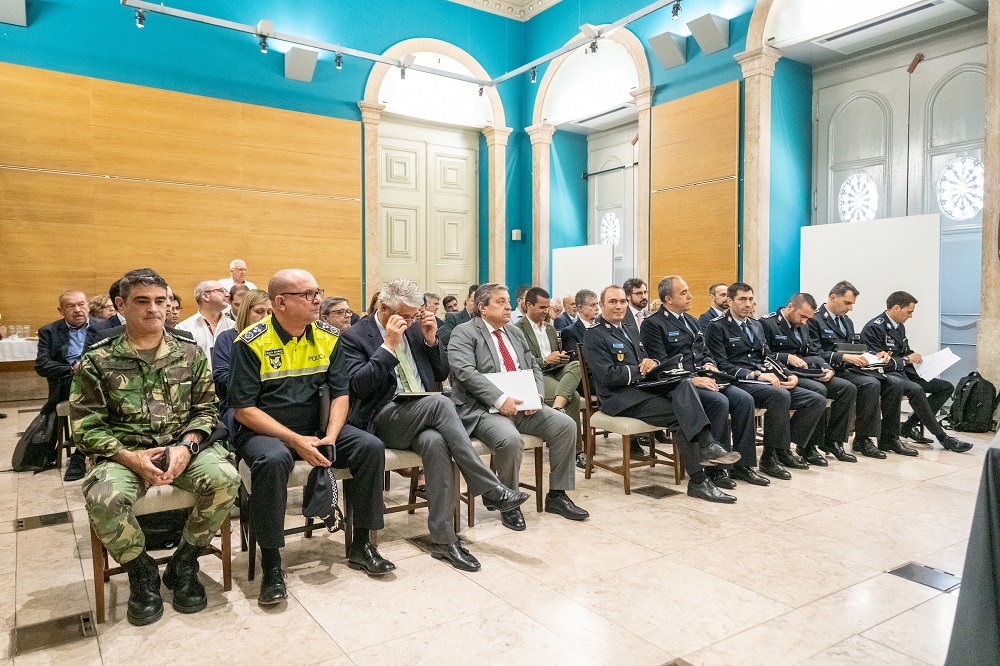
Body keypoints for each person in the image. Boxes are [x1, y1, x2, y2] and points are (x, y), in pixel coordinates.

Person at [71, 268, 238, 626]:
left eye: (160, 301)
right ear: (121, 305)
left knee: (226, 478)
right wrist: (128, 458)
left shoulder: (190, 352)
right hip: (123, 452)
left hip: (183, 448)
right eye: (142, 301)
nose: (154, 309)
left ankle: (184, 562)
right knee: (104, 498)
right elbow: (85, 426)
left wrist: (187, 447)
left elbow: (207, 410)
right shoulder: (97, 359)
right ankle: (140, 571)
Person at [228, 269, 394, 606]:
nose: (317, 299)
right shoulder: (250, 342)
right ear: (281, 302)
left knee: (370, 447)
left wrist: (331, 436)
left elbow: (340, 393)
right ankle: (273, 564)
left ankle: (362, 543)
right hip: (266, 431)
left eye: (318, 291)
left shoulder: (328, 336)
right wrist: (295, 440)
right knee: (272, 460)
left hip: (319, 427)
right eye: (308, 294)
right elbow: (243, 410)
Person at [340, 279, 529, 571]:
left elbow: (442, 372)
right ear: (383, 308)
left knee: (436, 442)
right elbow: (358, 387)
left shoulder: (417, 328)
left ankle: (443, 540)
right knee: (442, 402)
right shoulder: (355, 336)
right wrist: (388, 347)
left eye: (414, 316)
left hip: (423, 415)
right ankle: (489, 488)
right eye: (405, 316)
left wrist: (431, 342)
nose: (411, 321)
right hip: (382, 418)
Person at [447, 283, 589, 530]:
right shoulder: (464, 332)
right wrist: (500, 400)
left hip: (523, 405)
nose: (509, 306)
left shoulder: (514, 332)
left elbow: (533, 366)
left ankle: (557, 495)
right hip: (483, 409)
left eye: (507, 301)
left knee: (565, 425)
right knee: (511, 440)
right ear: (482, 307)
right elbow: (464, 372)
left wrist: (535, 396)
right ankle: (509, 502)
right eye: (500, 302)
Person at [586, 285, 741, 502]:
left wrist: (653, 363)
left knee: (683, 384)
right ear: (601, 306)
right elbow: (607, 376)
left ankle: (703, 463)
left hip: (642, 390)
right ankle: (702, 470)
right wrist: (640, 371)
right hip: (618, 398)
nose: (619, 306)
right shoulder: (594, 335)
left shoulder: (630, 328)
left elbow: (649, 359)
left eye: (622, 301)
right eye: (612, 302)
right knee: (681, 414)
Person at [641, 276, 769, 488]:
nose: (690, 296)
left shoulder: (690, 321)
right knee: (718, 402)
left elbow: (704, 351)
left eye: (688, 290)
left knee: (744, 399)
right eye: (683, 293)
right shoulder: (653, 324)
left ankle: (743, 466)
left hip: (704, 377)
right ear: (668, 299)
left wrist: (709, 364)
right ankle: (716, 469)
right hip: (679, 385)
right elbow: (662, 365)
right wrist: (693, 379)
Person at [705, 282, 826, 480]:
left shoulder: (755, 325)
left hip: (763, 379)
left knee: (815, 400)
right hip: (739, 380)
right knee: (779, 395)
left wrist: (788, 374)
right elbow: (721, 365)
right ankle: (768, 459)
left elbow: (767, 356)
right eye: (742, 299)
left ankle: (782, 449)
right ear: (729, 301)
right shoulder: (716, 327)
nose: (748, 304)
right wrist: (756, 375)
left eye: (751, 299)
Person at [861, 291, 971, 454]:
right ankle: (943, 438)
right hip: (887, 375)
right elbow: (875, 361)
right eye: (909, 312)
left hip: (904, 372)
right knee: (917, 390)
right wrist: (906, 359)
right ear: (897, 308)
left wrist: (915, 356)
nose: (911, 316)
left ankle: (907, 426)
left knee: (945, 387)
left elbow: (902, 351)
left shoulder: (899, 326)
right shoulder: (874, 327)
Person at [761, 293, 858, 465]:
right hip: (783, 372)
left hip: (807, 370)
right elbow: (762, 355)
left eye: (808, 318)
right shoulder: (767, 323)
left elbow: (813, 352)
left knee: (847, 388)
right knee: (819, 390)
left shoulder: (803, 325)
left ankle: (832, 441)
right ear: (790, 307)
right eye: (802, 316)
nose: (805, 321)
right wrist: (786, 356)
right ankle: (805, 445)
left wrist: (827, 368)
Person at [807, 280, 898, 460]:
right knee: (850, 388)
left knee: (873, 383)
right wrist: (843, 357)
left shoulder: (846, 322)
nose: (850, 308)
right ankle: (834, 440)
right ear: (833, 297)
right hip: (825, 369)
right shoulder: (814, 319)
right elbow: (814, 352)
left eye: (852, 304)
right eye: (847, 303)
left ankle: (863, 439)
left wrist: (873, 355)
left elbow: (853, 348)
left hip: (845, 368)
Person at [36, 290, 102, 481]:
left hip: (98, 380)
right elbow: (42, 365)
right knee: (86, 391)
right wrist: (74, 369)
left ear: (88, 306)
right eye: (71, 306)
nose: (78, 310)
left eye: (81, 304)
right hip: (67, 383)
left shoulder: (102, 327)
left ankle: (83, 451)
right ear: (61, 310)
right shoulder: (48, 331)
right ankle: (80, 455)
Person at [514, 287, 583, 465]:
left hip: (556, 370)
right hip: (536, 375)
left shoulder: (550, 329)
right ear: (528, 305)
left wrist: (560, 357)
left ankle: (558, 407)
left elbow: (556, 355)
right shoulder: (517, 330)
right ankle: (576, 452)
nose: (546, 311)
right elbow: (521, 363)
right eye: (542, 307)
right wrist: (546, 360)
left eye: (547, 307)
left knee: (576, 364)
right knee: (573, 397)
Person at [212, 289, 271, 435]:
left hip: (272, 404)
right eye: (259, 311)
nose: (265, 317)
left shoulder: (275, 341)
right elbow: (221, 380)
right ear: (246, 312)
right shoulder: (227, 338)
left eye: (269, 312)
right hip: (237, 406)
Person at [176, 280, 234, 368]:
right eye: (221, 291)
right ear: (206, 296)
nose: (227, 295)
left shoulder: (234, 326)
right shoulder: (184, 328)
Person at [559, 289, 599, 357]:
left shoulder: (601, 328)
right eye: (592, 305)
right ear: (580, 308)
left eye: (597, 304)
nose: (597, 308)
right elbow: (575, 358)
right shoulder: (569, 332)